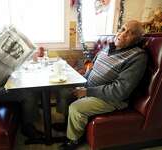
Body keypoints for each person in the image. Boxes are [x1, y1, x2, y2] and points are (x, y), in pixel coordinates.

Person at [59, 20, 148, 150]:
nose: (122, 34)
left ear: (137, 39)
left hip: (112, 99)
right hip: (91, 88)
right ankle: (67, 123)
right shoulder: (108, 48)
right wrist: (81, 82)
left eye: (131, 33)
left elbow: (120, 91)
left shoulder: (137, 57)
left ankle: (73, 139)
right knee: (64, 91)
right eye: (123, 29)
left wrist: (87, 92)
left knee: (76, 108)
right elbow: (93, 69)